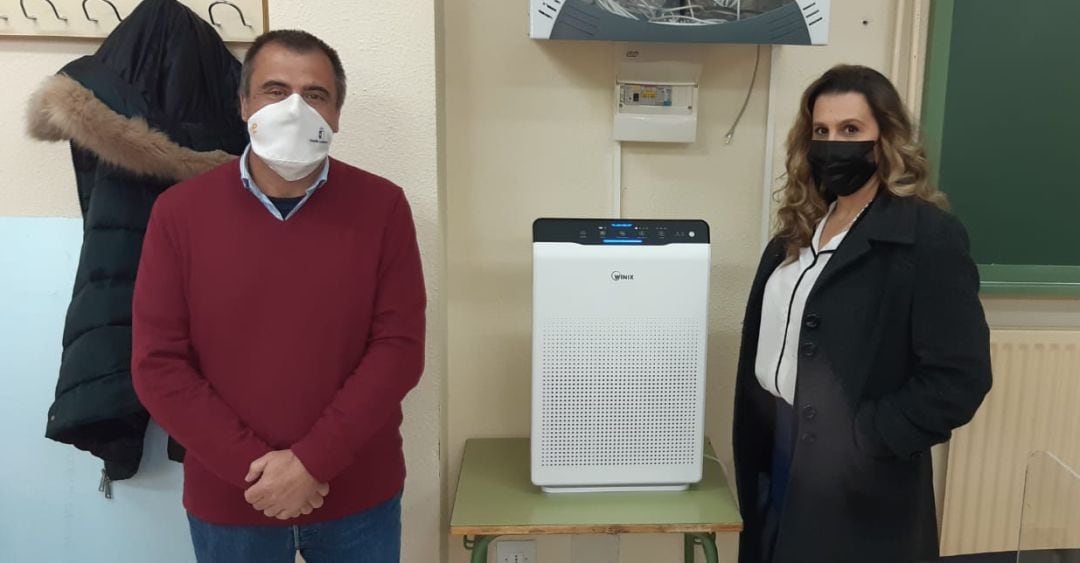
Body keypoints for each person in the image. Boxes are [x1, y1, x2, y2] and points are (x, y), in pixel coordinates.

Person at [131, 29, 426, 563]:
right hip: (232, 500)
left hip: (359, 497)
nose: (295, 108)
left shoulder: (383, 208)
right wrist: (260, 472)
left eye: (315, 95)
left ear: (336, 114)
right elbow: (158, 364)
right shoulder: (179, 213)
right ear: (244, 104)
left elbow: (399, 348)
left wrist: (311, 463)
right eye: (274, 90)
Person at [731, 65, 992, 563]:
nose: (834, 145)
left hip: (860, 472)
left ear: (885, 139)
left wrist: (866, 436)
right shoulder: (797, 231)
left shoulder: (927, 237)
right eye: (822, 132)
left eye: (851, 130)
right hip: (778, 451)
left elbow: (959, 377)